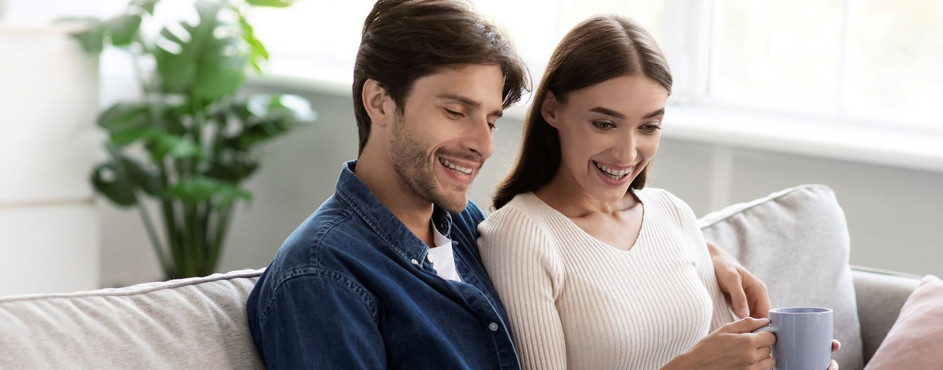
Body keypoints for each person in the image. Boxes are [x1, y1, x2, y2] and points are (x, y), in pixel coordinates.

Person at [246, 0, 771, 368]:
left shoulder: (462, 227)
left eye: (492, 120)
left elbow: (581, 251)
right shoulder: (322, 276)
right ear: (379, 101)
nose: (482, 144)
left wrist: (704, 254)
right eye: (456, 111)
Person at [478, 15, 839, 370]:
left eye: (649, 126)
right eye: (604, 124)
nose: (627, 153)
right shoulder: (520, 235)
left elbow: (726, 358)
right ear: (552, 109)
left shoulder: (671, 212)